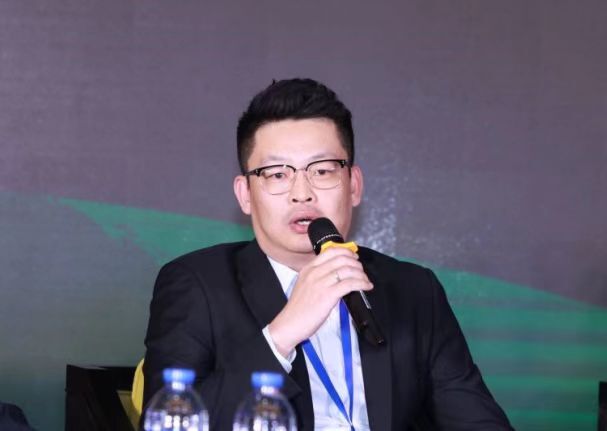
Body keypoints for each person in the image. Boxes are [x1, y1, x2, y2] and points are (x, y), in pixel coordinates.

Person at [142, 78, 513, 430]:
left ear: (353, 186)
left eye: (322, 171)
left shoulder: (413, 291)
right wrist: (282, 335)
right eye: (277, 174)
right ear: (245, 195)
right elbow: (170, 422)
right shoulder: (198, 285)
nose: (302, 193)